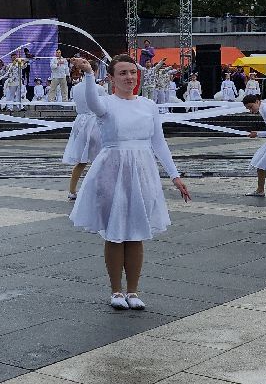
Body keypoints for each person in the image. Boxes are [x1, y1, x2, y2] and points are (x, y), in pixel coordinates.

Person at [69, 54, 190, 309]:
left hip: (143, 170)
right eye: (123, 73)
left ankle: (133, 292)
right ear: (111, 78)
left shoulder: (148, 105)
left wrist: (175, 175)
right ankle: (116, 291)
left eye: (133, 73)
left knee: (136, 232)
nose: (129, 78)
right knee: (115, 233)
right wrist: (90, 74)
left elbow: (159, 142)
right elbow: (91, 101)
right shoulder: (105, 103)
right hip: (112, 169)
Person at [63, 58, 102, 201]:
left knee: (81, 160)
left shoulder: (76, 87)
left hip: (80, 122)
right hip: (94, 122)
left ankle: (72, 190)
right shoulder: (99, 89)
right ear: (95, 71)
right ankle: (97, 189)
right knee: (100, 158)